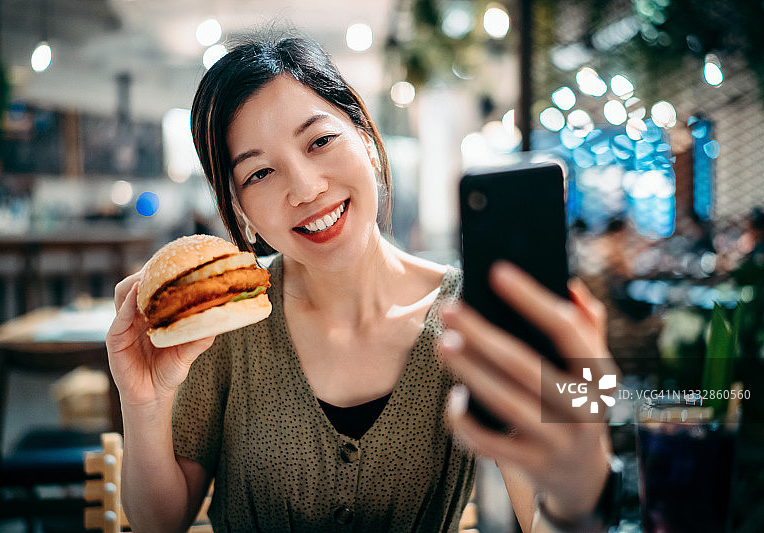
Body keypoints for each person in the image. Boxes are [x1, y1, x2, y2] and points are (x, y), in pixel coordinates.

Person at [107, 34, 618, 533]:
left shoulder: (472, 318)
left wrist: (584, 472)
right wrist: (144, 402)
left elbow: (546, 514)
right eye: (260, 173)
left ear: (367, 141)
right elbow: (161, 521)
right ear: (242, 212)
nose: (306, 188)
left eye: (321, 141)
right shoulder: (224, 323)